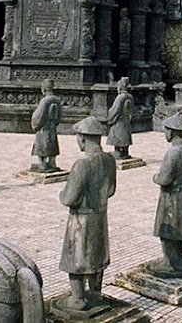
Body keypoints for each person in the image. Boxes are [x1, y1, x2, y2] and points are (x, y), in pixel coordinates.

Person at [59, 116, 117, 311]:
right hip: (100, 216)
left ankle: (78, 298)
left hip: (81, 219)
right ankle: (95, 292)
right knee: (97, 254)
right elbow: (111, 190)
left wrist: (62, 194)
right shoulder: (109, 160)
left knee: (76, 257)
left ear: (82, 138)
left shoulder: (82, 165)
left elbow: (70, 198)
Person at [149, 113, 182, 278]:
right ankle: (180, 260)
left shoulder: (173, 153)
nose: (165, 134)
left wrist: (155, 177)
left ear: (171, 131)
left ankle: (169, 263)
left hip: (171, 198)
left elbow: (165, 179)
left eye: (166, 130)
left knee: (168, 230)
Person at [30, 78, 62, 172]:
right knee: (52, 142)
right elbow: (59, 115)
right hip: (52, 126)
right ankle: (52, 162)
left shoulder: (45, 101)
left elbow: (39, 115)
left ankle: (42, 163)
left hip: (43, 127)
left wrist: (35, 125)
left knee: (42, 144)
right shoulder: (57, 100)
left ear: (44, 89)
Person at [106, 77, 134, 159]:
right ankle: (125, 152)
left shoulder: (120, 97)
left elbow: (115, 110)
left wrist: (109, 115)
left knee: (118, 135)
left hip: (119, 120)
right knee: (125, 135)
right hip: (126, 120)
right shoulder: (130, 96)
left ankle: (118, 152)